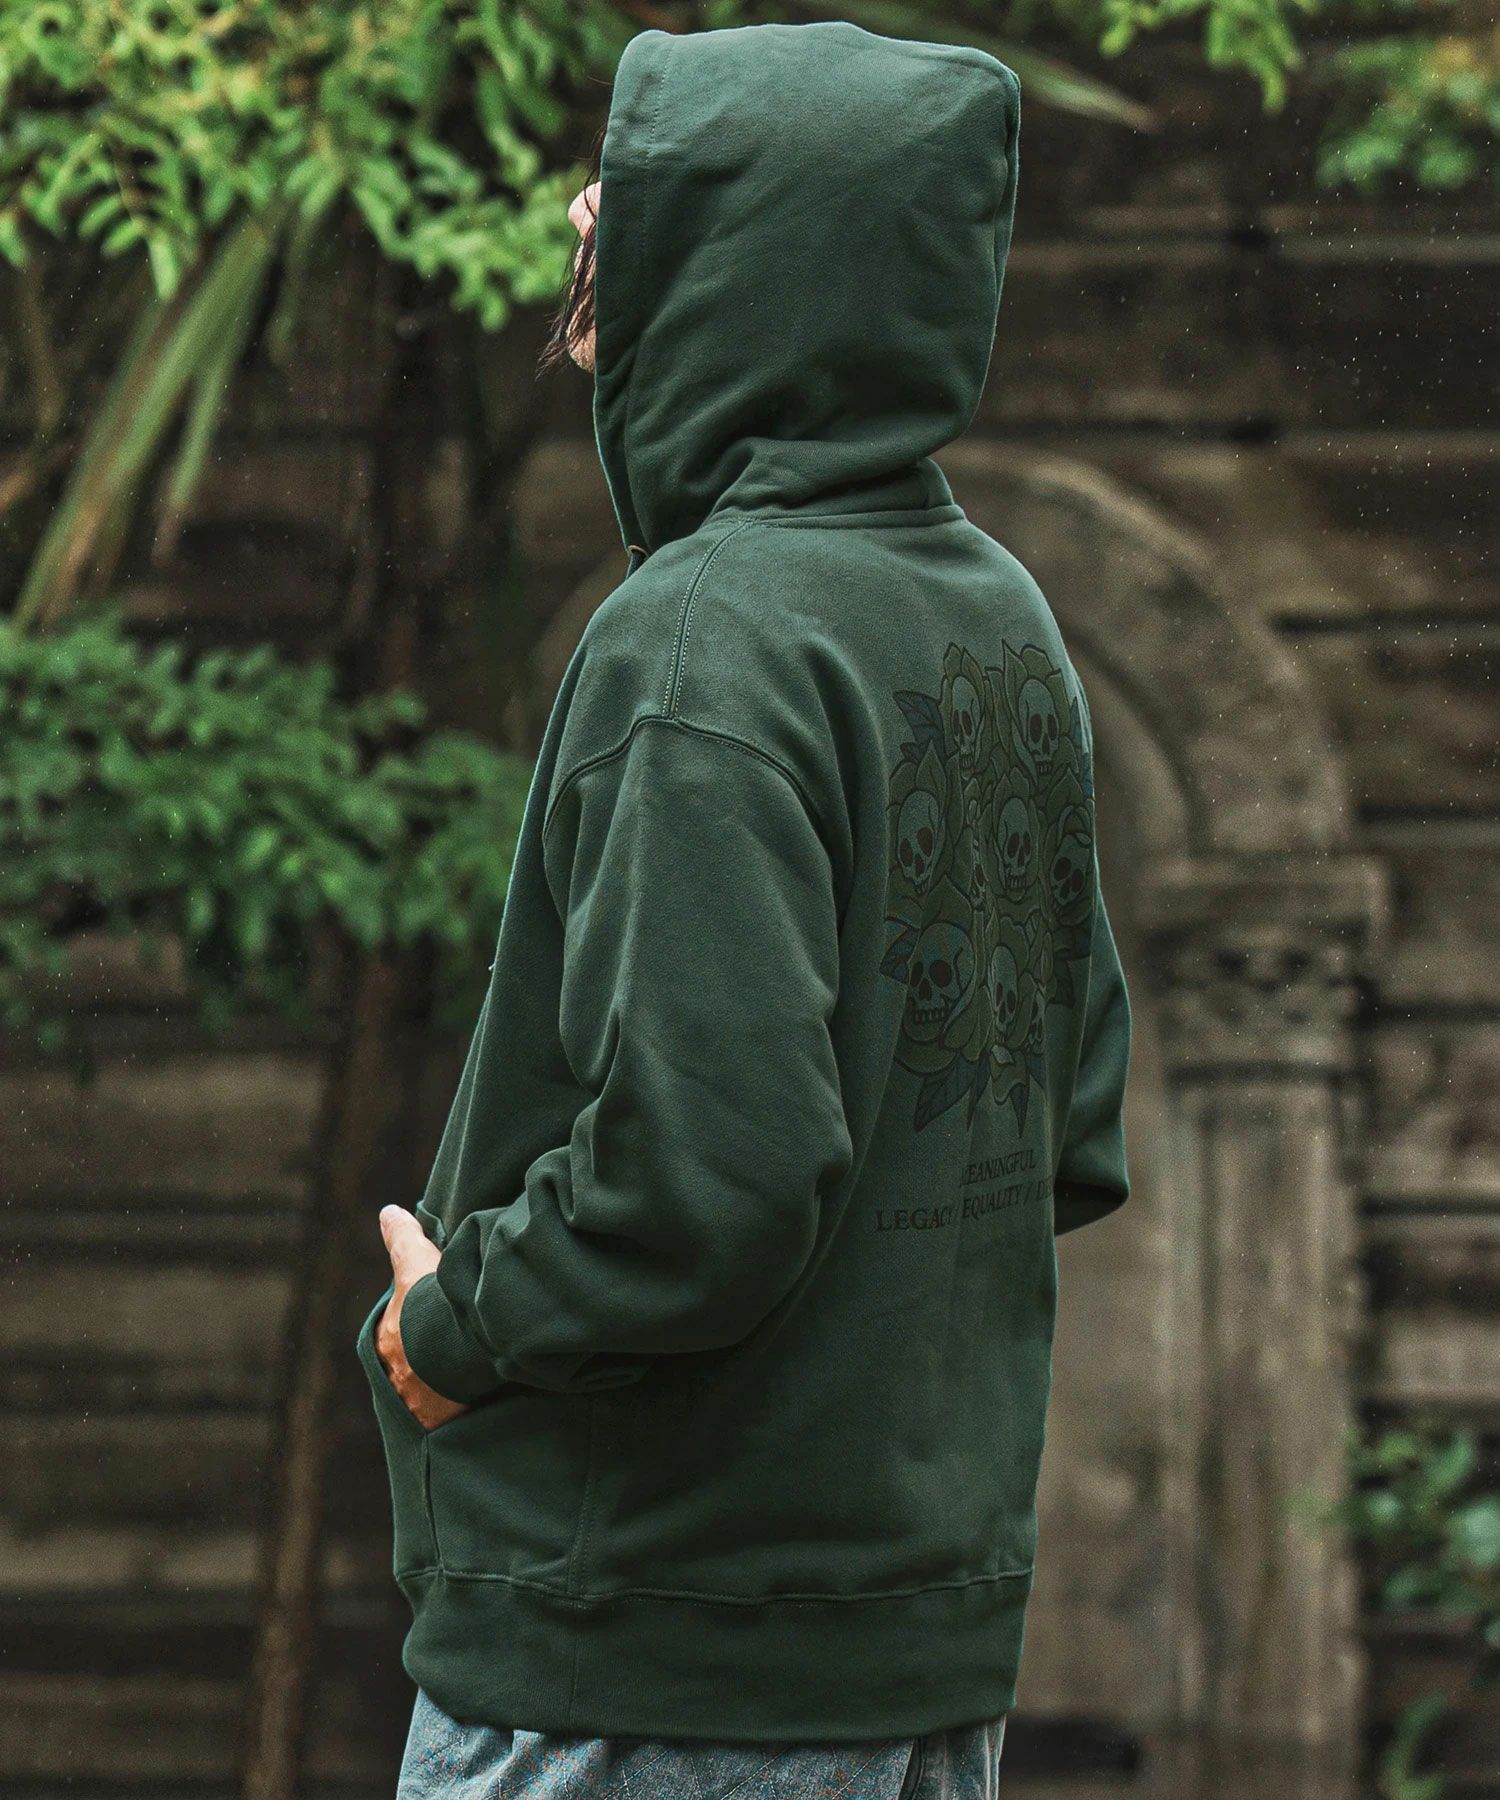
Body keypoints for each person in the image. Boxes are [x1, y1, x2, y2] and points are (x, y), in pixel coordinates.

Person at [360, 19, 1132, 1799]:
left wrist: (451, 1328)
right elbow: (1066, 1125)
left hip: (643, 1658)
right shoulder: (996, 620)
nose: (584, 255)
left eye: (629, 215)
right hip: (911, 1649)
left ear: (754, 267)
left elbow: (704, 1186)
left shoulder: (702, 641)